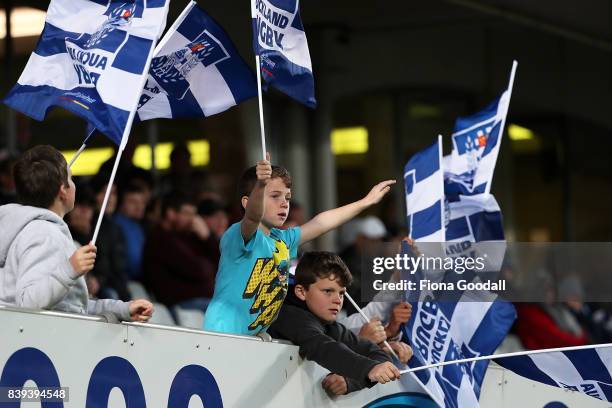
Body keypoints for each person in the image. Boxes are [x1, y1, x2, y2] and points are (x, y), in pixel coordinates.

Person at [203, 153, 396, 336]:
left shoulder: (284, 239)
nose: (284, 203)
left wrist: (365, 202)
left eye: (287, 197)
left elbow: (321, 223)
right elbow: (252, 217)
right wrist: (260, 185)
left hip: (254, 340)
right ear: (247, 202)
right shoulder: (238, 234)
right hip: (223, 335)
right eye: (274, 196)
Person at [0, 145, 152, 322]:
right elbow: (28, 303)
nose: (74, 184)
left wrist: (122, 309)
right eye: (71, 179)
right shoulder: (43, 232)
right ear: (63, 190)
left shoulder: (39, 229)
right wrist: (70, 269)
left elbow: (71, 306)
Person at [268, 252, 408, 395]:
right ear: (301, 292)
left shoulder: (329, 325)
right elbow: (323, 347)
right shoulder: (289, 316)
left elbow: (376, 353)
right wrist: (368, 369)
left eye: (341, 293)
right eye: (328, 291)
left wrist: (350, 381)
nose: (338, 300)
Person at [143, 194, 219, 311]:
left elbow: (221, 263)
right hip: (180, 304)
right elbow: (199, 270)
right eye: (187, 213)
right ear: (171, 213)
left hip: (201, 301)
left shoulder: (187, 237)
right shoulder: (160, 239)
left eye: (194, 214)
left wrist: (207, 237)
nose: (192, 219)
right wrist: (208, 266)